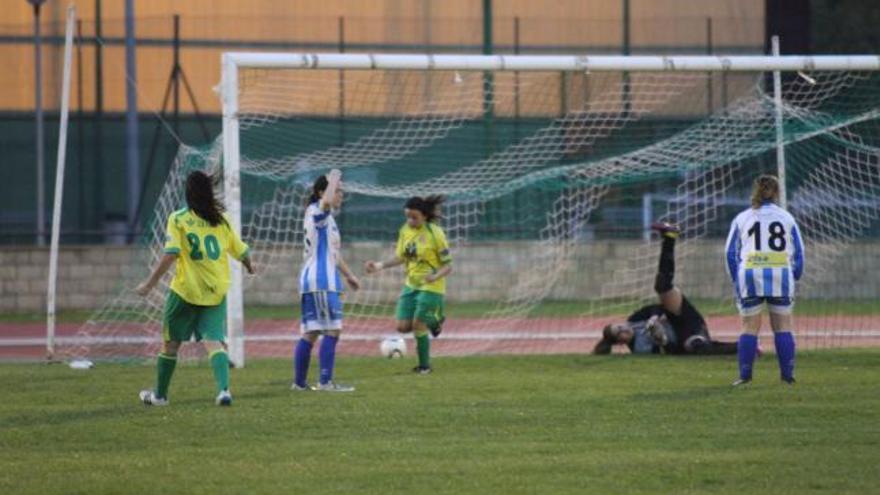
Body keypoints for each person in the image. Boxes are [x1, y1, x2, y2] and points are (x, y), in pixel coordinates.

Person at [135, 170, 255, 406]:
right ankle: (223, 391)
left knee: (171, 344)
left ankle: (159, 396)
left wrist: (149, 284)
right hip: (215, 291)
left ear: (188, 194)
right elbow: (242, 251)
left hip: (186, 292)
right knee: (214, 341)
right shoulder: (221, 220)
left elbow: (171, 255)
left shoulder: (178, 219)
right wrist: (250, 267)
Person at [593, 222, 738, 356]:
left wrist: (654, 317)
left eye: (619, 327)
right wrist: (662, 339)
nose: (624, 329)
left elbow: (656, 307)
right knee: (694, 346)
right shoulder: (640, 348)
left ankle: (670, 236)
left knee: (662, 286)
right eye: (620, 334)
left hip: (681, 316)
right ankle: (745, 347)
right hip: (687, 333)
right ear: (620, 343)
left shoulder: (634, 320)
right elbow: (673, 351)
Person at [726, 174, 804, 386]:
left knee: (749, 326)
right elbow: (799, 253)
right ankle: (787, 377)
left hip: (750, 274)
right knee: (783, 325)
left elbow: (730, 253)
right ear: (777, 193)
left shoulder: (743, 217)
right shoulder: (787, 218)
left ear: (755, 191)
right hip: (780, 273)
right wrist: (794, 275)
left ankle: (745, 377)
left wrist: (737, 279)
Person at [364, 195, 452, 374]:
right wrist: (379, 266)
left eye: (414, 217)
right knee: (402, 327)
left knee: (419, 324)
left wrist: (434, 277)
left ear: (425, 216)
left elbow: (448, 266)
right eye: (407, 217)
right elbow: (401, 257)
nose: (410, 221)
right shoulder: (405, 230)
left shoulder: (436, 233)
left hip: (431, 287)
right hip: (411, 285)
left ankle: (424, 366)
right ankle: (436, 321)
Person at [292, 169, 361, 392]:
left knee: (312, 332)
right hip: (321, 281)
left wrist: (349, 275)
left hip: (317, 280)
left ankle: (300, 384)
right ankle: (325, 383)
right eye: (337, 191)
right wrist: (333, 179)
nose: (340, 195)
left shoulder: (325, 218)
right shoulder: (318, 211)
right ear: (322, 192)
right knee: (332, 330)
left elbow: (333, 254)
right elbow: (327, 202)